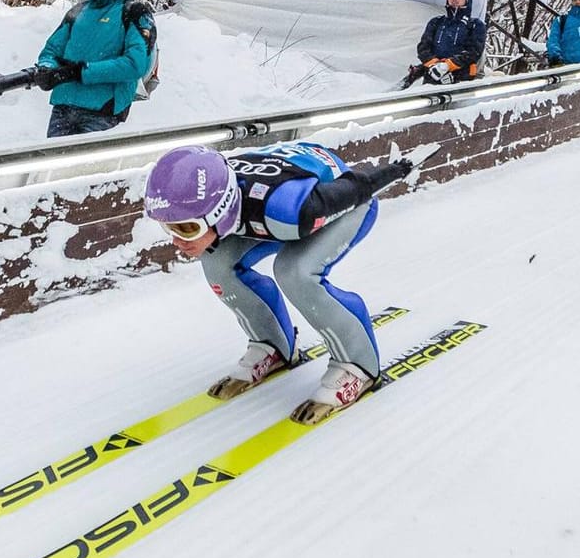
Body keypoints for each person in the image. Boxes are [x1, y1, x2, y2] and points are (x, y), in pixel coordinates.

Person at [143, 143, 414, 424]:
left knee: (295, 272)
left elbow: (358, 187)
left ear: (220, 210)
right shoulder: (219, 194)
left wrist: (394, 170)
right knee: (218, 266)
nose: (176, 241)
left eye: (187, 228)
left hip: (343, 201)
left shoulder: (289, 209)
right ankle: (272, 345)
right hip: (271, 198)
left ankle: (358, 365)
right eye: (169, 227)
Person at [35, 0, 154, 138]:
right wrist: (46, 68)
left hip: (102, 112)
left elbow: (136, 64)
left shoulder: (134, 12)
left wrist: (82, 72)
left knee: (87, 168)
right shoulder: (79, 10)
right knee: (50, 165)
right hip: (63, 106)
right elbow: (51, 49)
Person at [409, 0, 488, 84]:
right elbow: (423, 47)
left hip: (461, 82)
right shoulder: (436, 22)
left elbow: (473, 52)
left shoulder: (476, 25)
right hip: (432, 79)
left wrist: (447, 66)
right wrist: (434, 65)